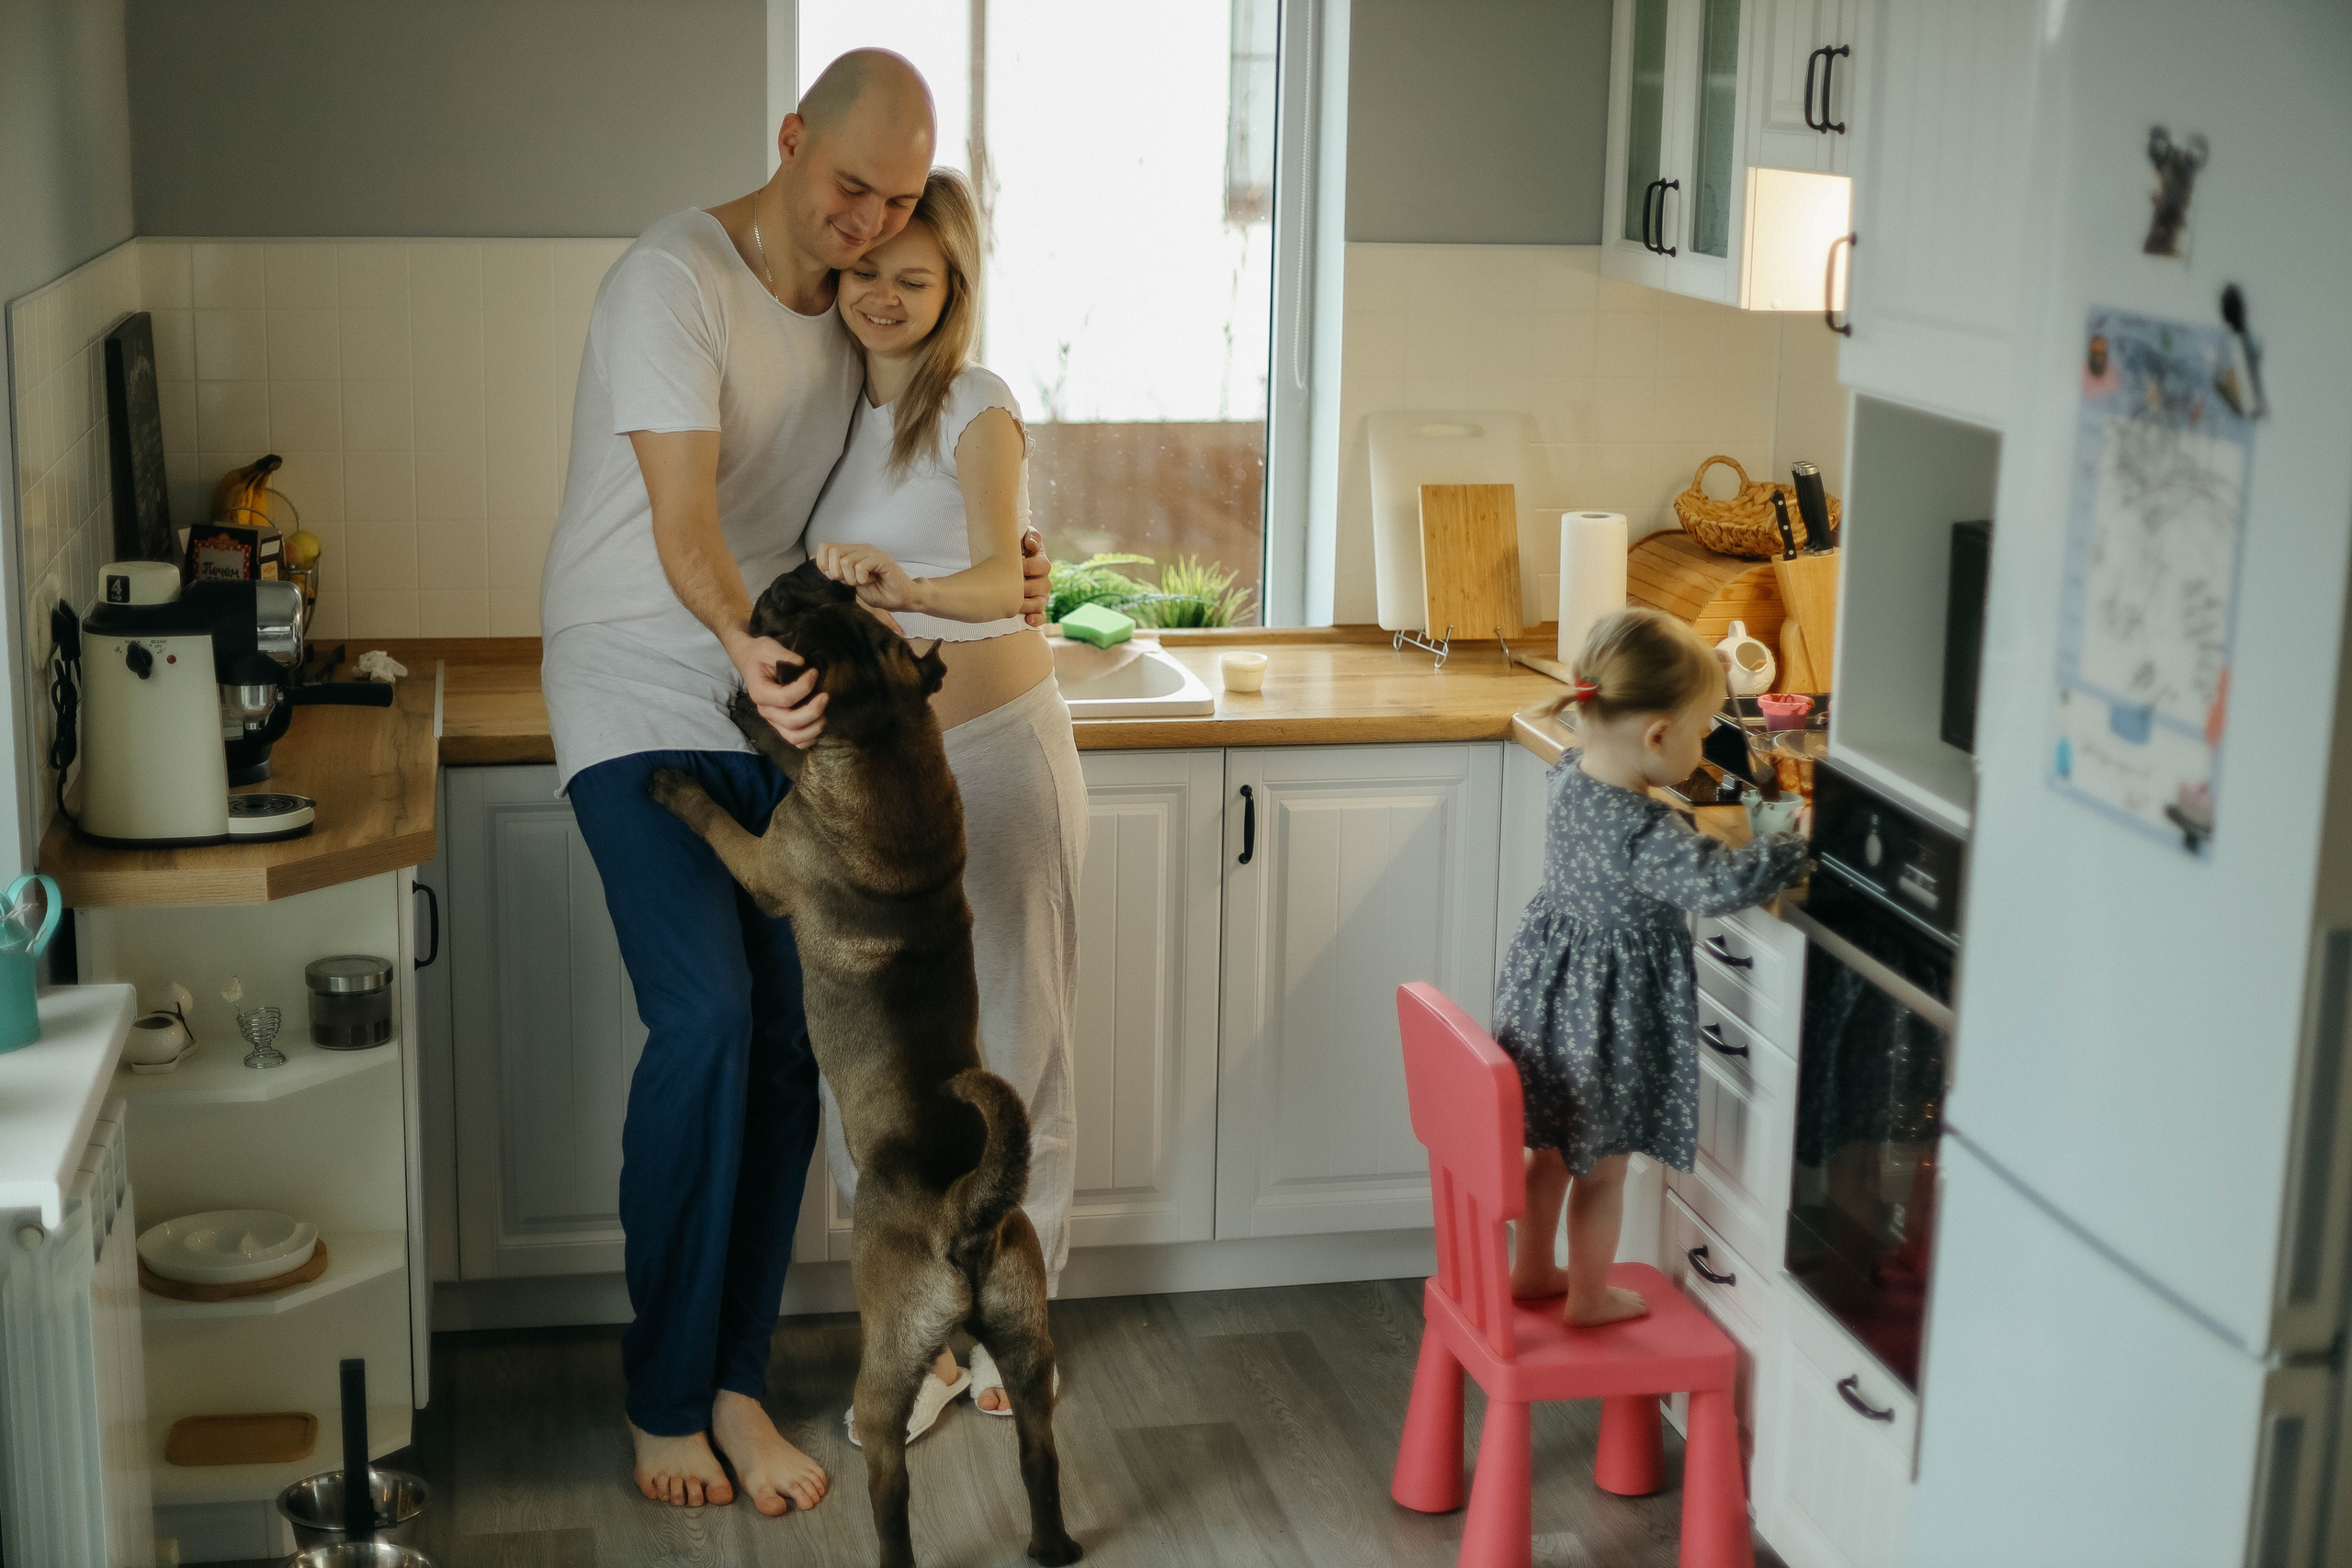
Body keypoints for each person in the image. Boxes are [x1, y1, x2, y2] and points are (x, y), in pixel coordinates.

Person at [537, 51, 1049, 1516]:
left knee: (785, 1046)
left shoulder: (854, 303)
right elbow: (688, 525)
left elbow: (947, 437)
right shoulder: (669, 283)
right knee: (703, 1014)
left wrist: (1016, 560)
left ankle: (736, 1381)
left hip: (771, 694)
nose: (867, 222)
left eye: (896, 201)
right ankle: (660, 1394)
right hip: (640, 677)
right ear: (789, 138)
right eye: (850, 187)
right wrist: (739, 646)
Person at [801, 168, 1085, 1446]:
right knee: (885, 1080)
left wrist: (901, 583)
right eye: (867, 270)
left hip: (998, 760)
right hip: (884, 794)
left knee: (1016, 1050)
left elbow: (1007, 582)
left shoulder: (976, 403)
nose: (883, 295)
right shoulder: (827, 404)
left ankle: (1012, 1328)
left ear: (953, 290)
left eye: (914, 279)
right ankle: (916, 1328)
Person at [1491, 608, 1810, 1327]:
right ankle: (1588, 1296)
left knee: (1547, 1153)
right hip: (1610, 1021)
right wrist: (1790, 845)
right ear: (1657, 734)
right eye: (1703, 731)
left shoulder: (1574, 772)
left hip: (1548, 999)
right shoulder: (1646, 829)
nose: (1706, 745)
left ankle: (1534, 1269)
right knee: (1602, 1174)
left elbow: (1654, 795)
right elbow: (1719, 883)